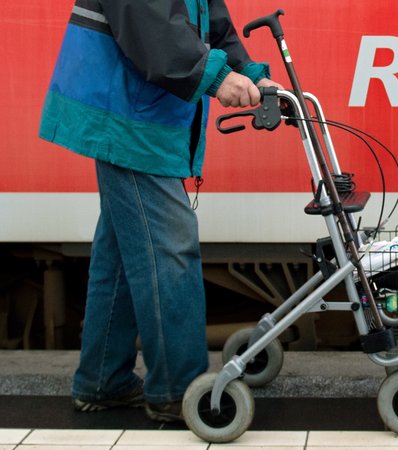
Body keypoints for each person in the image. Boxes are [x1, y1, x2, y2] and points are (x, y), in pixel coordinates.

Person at [38, 0, 282, 422]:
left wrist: (252, 73)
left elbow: (212, 26)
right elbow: (154, 30)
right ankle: (178, 390)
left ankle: (103, 381)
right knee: (170, 250)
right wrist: (220, 77)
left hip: (140, 115)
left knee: (120, 258)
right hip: (127, 120)